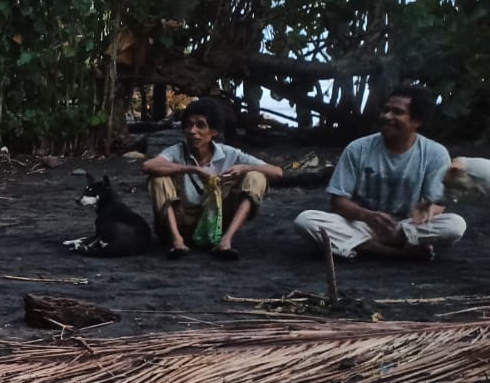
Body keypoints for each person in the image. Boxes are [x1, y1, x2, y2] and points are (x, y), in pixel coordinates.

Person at [294, 85, 467, 259]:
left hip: (406, 226)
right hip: (361, 224)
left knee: (455, 225)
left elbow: (436, 203)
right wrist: (367, 216)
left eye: (397, 112)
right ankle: (396, 253)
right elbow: (338, 201)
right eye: (385, 110)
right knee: (306, 220)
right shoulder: (357, 148)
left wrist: (419, 215)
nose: (386, 116)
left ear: (417, 121)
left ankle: (364, 245)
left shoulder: (435, 153)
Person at [142, 97, 282, 259]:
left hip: (217, 221)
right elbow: (148, 166)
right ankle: (178, 242)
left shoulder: (229, 153)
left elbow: (277, 172)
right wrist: (193, 169)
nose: (193, 131)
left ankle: (226, 241)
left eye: (200, 125)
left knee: (256, 177)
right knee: (158, 178)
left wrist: (244, 168)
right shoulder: (177, 150)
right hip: (182, 221)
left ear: (214, 131)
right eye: (189, 125)